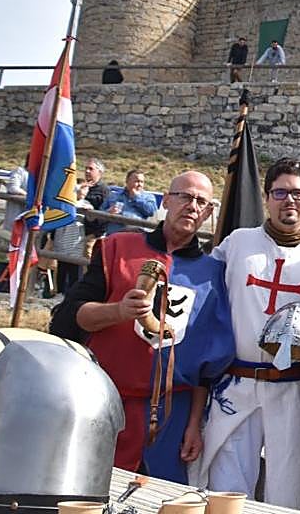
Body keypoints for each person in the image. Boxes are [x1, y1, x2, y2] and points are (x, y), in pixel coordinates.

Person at [49, 171, 234, 482]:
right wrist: (119, 311)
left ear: (208, 213)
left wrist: (194, 424)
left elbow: (207, 363)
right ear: (165, 200)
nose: (192, 206)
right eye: (185, 196)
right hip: (104, 401)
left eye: (201, 201)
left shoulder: (213, 275)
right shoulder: (117, 249)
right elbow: (70, 318)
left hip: (171, 415)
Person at [194, 159, 300, 509]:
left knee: (288, 492)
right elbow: (205, 298)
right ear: (267, 197)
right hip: (236, 386)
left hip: (295, 389)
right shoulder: (238, 244)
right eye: (280, 192)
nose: (289, 201)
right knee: (225, 491)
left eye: (298, 193)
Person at [104, 170, 159, 235]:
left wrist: (136, 197)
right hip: (114, 233)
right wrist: (108, 212)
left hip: (136, 234)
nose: (140, 185)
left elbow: (151, 212)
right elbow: (99, 212)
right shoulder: (114, 195)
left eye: (142, 182)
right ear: (127, 181)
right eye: (137, 181)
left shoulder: (148, 197)